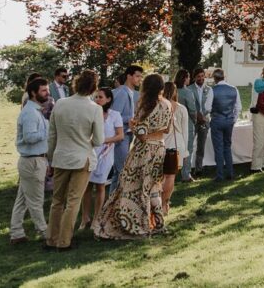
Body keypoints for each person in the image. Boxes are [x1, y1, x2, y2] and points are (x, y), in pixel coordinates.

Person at [93, 73, 172, 239]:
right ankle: (159, 223)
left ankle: (138, 223)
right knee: (153, 186)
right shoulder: (167, 104)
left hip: (144, 150)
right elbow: (167, 129)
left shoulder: (145, 106)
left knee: (135, 187)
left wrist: (132, 125)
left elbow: (141, 135)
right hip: (160, 147)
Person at [46, 69, 104, 250]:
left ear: (76, 84)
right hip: (81, 158)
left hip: (60, 157)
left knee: (57, 201)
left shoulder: (60, 104)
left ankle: (51, 239)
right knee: (73, 201)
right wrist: (86, 141)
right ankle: (64, 241)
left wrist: (51, 158)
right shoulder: (95, 109)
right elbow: (99, 140)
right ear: (94, 88)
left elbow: (52, 135)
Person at [9, 77, 50, 245]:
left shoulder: (35, 111)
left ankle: (16, 233)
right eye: (44, 90)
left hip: (34, 160)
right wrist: (47, 131)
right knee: (36, 200)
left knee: (22, 200)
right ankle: (45, 232)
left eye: (47, 90)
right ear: (33, 93)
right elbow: (29, 137)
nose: (47, 93)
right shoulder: (30, 113)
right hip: (32, 161)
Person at [79, 88, 124, 231]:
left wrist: (105, 140)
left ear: (108, 99)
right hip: (90, 152)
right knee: (86, 186)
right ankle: (85, 218)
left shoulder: (115, 115)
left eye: (100, 97)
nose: (97, 99)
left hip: (106, 153)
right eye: (96, 97)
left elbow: (120, 135)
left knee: (100, 185)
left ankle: (97, 218)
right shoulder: (89, 113)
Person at [109, 64, 143, 193]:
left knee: (119, 172)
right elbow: (114, 116)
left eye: (140, 76)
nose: (140, 79)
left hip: (128, 135)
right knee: (122, 170)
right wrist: (132, 118)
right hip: (120, 136)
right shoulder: (121, 93)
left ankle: (112, 200)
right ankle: (118, 199)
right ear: (129, 76)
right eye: (137, 76)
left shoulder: (133, 93)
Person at [206, 68, 241, 181]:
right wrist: (233, 119)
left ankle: (220, 175)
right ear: (224, 77)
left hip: (217, 121)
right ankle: (230, 173)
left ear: (214, 78)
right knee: (227, 146)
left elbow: (207, 108)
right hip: (229, 121)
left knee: (218, 148)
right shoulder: (234, 89)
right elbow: (238, 107)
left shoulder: (212, 90)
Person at [160, 82, 189, 214]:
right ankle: (165, 203)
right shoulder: (181, 108)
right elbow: (185, 131)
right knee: (170, 176)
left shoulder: (159, 106)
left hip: (162, 142)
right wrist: (185, 150)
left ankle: (160, 203)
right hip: (176, 144)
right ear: (175, 92)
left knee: (160, 176)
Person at [188, 68, 211, 175]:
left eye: (202, 76)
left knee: (201, 146)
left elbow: (210, 105)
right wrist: (197, 116)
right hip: (193, 120)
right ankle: (187, 169)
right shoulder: (189, 89)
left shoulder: (209, 89)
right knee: (189, 146)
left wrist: (203, 117)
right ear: (194, 78)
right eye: (198, 76)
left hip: (205, 121)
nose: (201, 78)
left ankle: (198, 168)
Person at [173, 69, 195, 182]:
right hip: (186, 123)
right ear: (185, 78)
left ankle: (172, 172)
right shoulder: (187, 92)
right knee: (187, 149)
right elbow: (192, 110)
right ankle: (186, 174)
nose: (189, 79)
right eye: (188, 77)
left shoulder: (173, 91)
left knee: (173, 148)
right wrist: (195, 120)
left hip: (174, 123)